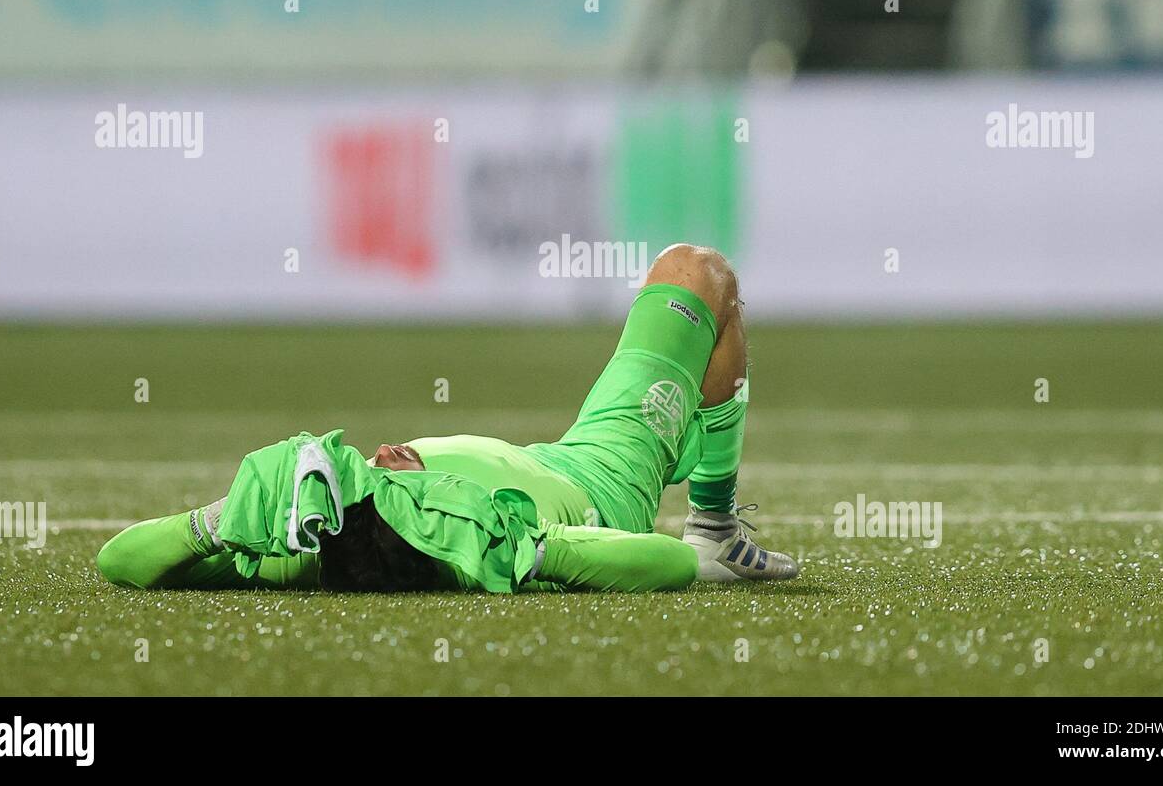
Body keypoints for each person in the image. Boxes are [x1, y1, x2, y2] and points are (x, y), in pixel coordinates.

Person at [96, 243, 798, 593]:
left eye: (372, 469)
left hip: (548, 457)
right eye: (389, 472)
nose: (378, 454)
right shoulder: (483, 544)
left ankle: (718, 521)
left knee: (695, 273)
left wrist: (217, 520)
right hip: (600, 479)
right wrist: (543, 552)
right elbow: (670, 563)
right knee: (699, 275)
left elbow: (118, 559)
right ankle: (717, 523)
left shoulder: (306, 539)